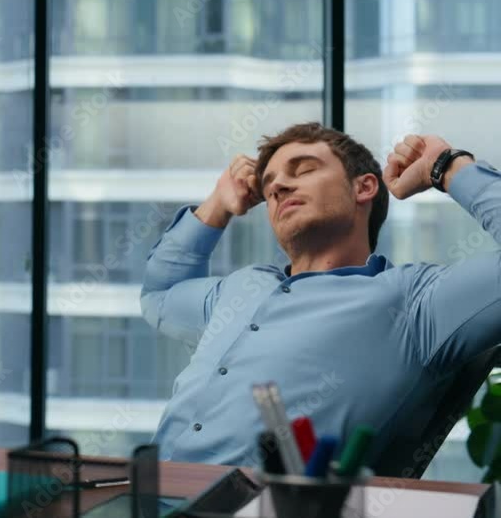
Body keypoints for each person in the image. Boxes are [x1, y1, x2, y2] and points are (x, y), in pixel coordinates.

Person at [140, 121, 501, 468]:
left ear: (364, 188)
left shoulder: (414, 302)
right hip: (139, 497)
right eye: (268, 185)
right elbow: (161, 293)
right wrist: (215, 206)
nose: (278, 186)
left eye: (303, 170)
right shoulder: (240, 288)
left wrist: (446, 166)